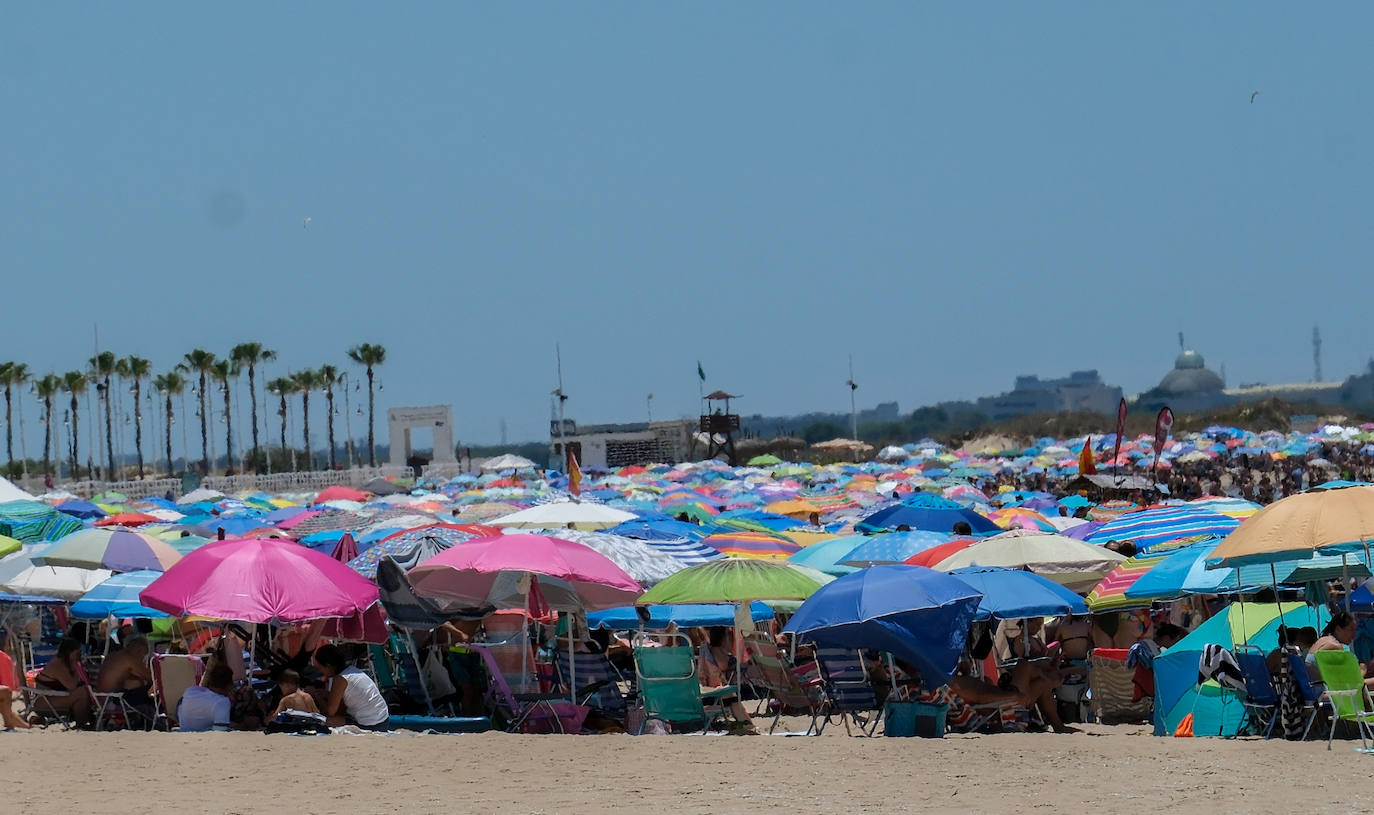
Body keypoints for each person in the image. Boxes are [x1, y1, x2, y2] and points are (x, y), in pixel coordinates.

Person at [313, 644, 389, 729]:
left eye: (320, 668)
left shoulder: (340, 679)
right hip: (383, 720)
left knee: (324, 721)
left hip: (370, 725)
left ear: (328, 665)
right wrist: (328, 694)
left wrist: (318, 697)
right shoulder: (352, 671)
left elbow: (330, 712)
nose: (320, 672)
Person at [33, 638, 94, 727]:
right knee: (82, 692)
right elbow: (72, 686)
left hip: (51, 699)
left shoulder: (63, 663)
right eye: (77, 653)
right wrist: (77, 668)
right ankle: (81, 724)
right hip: (45, 704)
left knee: (84, 691)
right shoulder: (58, 665)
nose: (79, 656)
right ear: (69, 652)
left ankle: (85, 721)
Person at [178, 664, 233, 731]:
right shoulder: (222, 702)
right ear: (229, 685)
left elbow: (179, 704)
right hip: (201, 738)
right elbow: (220, 731)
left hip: (183, 733)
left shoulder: (191, 690)